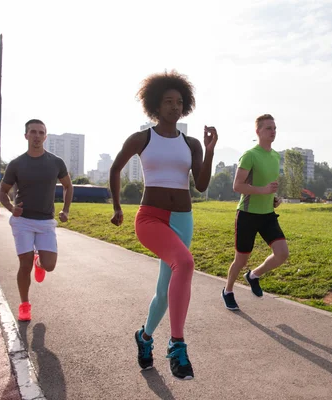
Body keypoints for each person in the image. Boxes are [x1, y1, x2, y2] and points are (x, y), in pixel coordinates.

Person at [109, 70, 216, 380]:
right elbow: (116, 169)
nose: (174, 106)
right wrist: (117, 207)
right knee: (185, 262)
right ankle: (177, 345)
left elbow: (202, 184)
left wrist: (209, 150)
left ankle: (144, 337)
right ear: (155, 105)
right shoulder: (142, 138)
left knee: (165, 290)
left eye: (179, 102)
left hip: (183, 218)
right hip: (151, 218)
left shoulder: (191, 143)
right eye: (168, 101)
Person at [0, 119, 73, 321]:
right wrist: (11, 208)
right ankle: (24, 305)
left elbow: (68, 186)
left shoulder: (55, 162)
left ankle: (39, 261)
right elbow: (2, 192)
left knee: (50, 265)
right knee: (24, 265)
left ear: (45, 137)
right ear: (26, 136)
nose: (37, 136)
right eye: (33, 132)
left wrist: (66, 209)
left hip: (46, 221)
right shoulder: (16, 164)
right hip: (22, 221)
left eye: (41, 132)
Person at [221, 114, 289, 311]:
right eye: (268, 128)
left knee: (282, 253)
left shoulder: (276, 156)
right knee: (241, 260)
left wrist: (273, 198)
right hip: (247, 215)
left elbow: (268, 186)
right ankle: (228, 290)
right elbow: (237, 186)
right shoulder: (250, 155)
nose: (273, 131)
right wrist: (263, 191)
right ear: (258, 131)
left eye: (274, 128)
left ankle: (254, 275)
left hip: (267, 214)